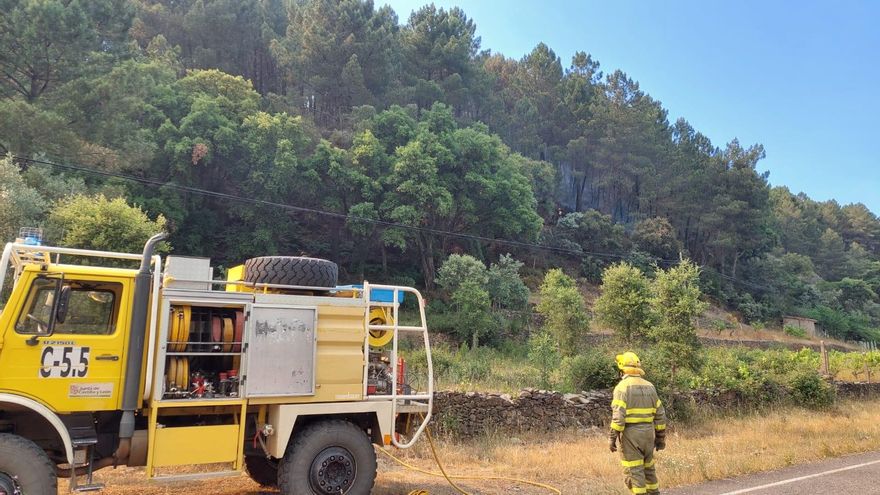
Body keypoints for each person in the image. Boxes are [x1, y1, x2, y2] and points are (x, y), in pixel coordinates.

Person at [608, 352, 666, 495]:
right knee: (649, 471)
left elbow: (618, 418)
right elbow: (660, 415)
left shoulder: (622, 388)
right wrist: (660, 438)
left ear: (621, 370)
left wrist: (612, 438)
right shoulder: (650, 386)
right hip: (648, 434)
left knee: (634, 473)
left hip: (631, 435)